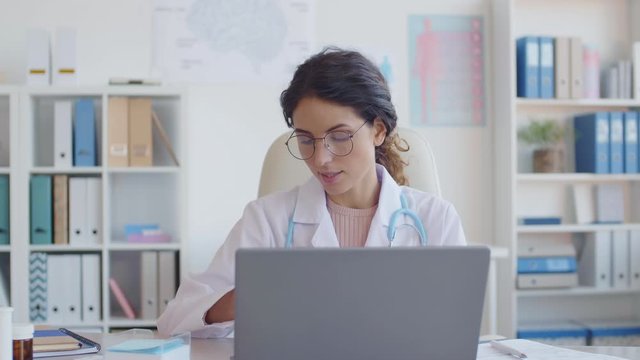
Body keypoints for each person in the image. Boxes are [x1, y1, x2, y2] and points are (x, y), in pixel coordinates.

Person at [156, 47, 466, 338]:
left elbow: (456, 331)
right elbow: (174, 321)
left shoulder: (434, 219)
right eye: (306, 139)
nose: (321, 159)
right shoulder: (267, 219)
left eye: (340, 136)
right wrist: (245, 298)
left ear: (379, 130)